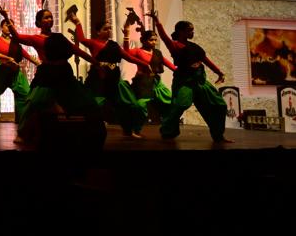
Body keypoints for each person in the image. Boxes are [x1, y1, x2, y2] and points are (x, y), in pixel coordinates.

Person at [0, 4, 101, 143]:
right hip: (47, 73)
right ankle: (22, 133)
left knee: (85, 100)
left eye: (51, 17)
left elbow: (76, 50)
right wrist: (6, 17)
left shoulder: (59, 38)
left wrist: (95, 62)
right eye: (46, 18)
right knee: (33, 102)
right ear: (39, 22)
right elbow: (17, 37)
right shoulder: (36, 38)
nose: (50, 20)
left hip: (63, 73)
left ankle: (89, 133)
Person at [147, 12, 232, 143]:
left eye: (192, 30)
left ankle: (218, 135)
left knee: (219, 105)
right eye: (189, 30)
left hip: (200, 81)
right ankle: (168, 132)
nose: (192, 32)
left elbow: (206, 60)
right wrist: (157, 20)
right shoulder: (175, 45)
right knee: (179, 105)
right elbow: (163, 37)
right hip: (184, 82)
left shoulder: (195, 47)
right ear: (181, 32)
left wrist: (219, 72)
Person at [68, 11, 151, 138]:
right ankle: (85, 132)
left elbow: (128, 57)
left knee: (128, 105)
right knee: (94, 105)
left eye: (110, 28)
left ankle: (128, 131)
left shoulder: (114, 45)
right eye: (105, 29)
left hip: (114, 79)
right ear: (98, 32)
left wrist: (144, 64)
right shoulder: (94, 43)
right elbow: (81, 39)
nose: (109, 30)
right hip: (98, 79)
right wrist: (77, 22)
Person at [122, 26, 176, 119]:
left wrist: (180, 70)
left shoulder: (157, 52)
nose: (154, 42)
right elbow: (126, 52)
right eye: (151, 40)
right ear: (143, 40)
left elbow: (168, 64)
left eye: (155, 40)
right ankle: (138, 122)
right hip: (143, 81)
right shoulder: (138, 51)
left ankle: (167, 120)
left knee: (169, 99)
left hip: (156, 82)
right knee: (140, 104)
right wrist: (126, 36)